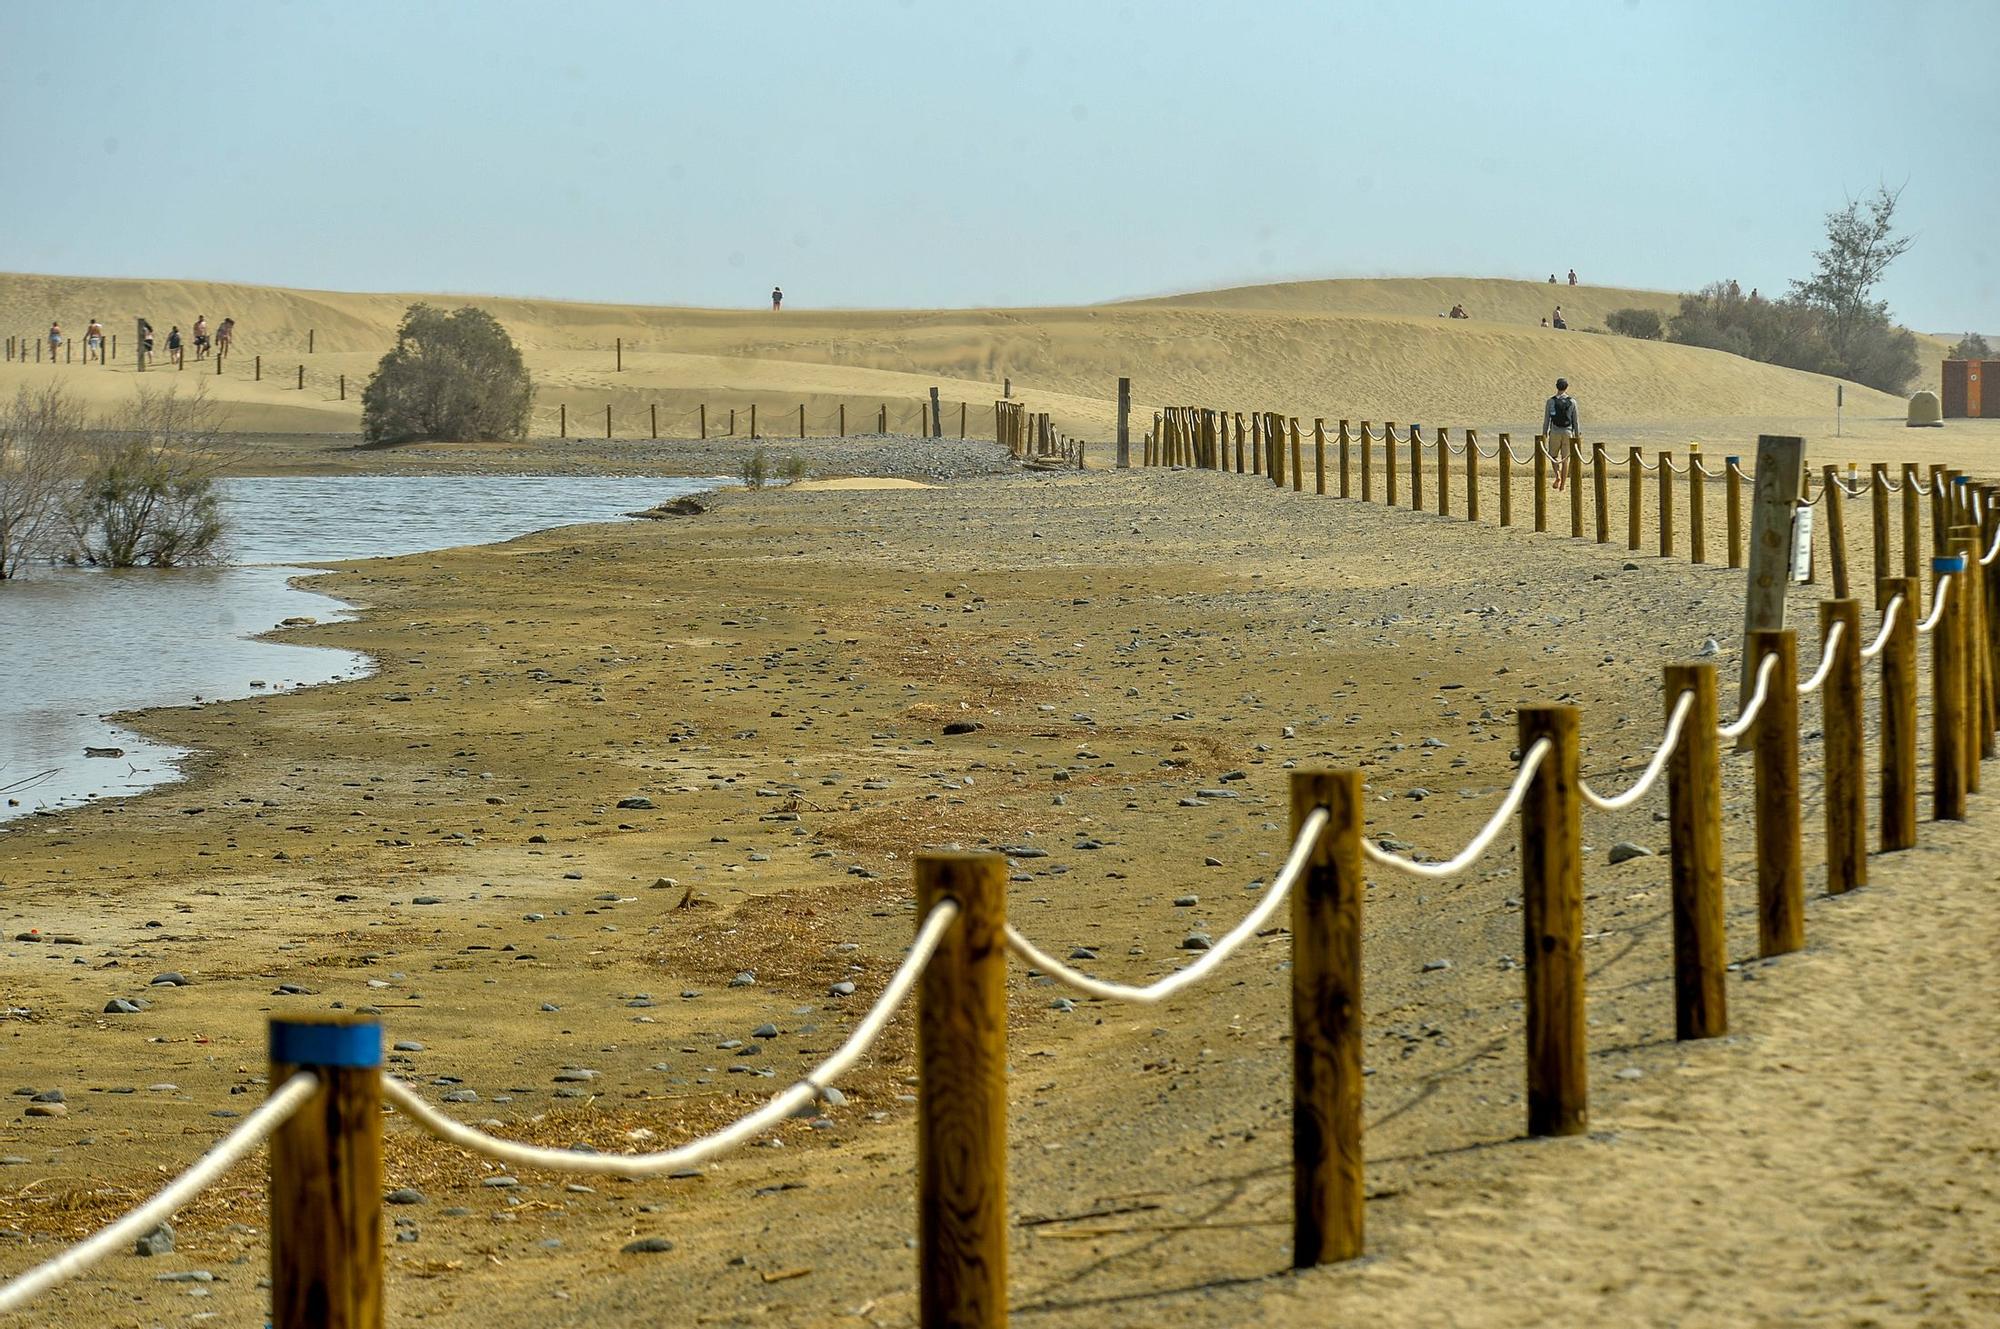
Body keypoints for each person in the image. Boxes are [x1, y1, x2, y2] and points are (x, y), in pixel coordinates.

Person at [1543, 377, 1579, 491]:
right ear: (1566, 387)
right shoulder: (1572, 401)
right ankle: (1563, 485)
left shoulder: (1551, 401)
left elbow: (1547, 420)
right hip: (1568, 432)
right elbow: (1575, 421)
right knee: (1565, 459)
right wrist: (1576, 436)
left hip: (1555, 432)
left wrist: (1544, 434)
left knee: (1553, 457)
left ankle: (1557, 476)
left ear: (1556, 386)